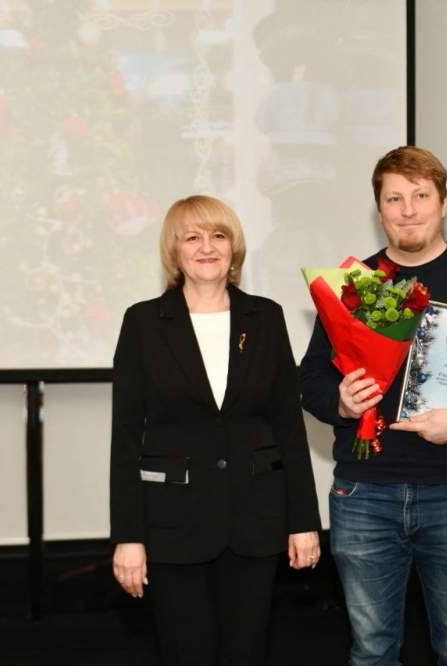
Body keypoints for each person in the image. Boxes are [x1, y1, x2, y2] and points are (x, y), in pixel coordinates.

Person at [299, 146, 447, 665]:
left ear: (444, 202)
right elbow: (311, 379)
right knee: (371, 651)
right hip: (363, 492)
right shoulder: (355, 286)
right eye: (394, 198)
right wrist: (341, 404)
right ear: (379, 209)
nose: (407, 210)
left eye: (420, 196)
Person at [109, 195, 322, 665]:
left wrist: (304, 521)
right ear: (175, 250)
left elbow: (289, 427)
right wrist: (128, 536)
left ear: (234, 248)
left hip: (256, 521)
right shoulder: (143, 322)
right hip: (172, 525)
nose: (207, 247)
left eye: (218, 235)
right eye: (192, 237)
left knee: (247, 653)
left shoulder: (266, 317)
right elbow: (124, 439)